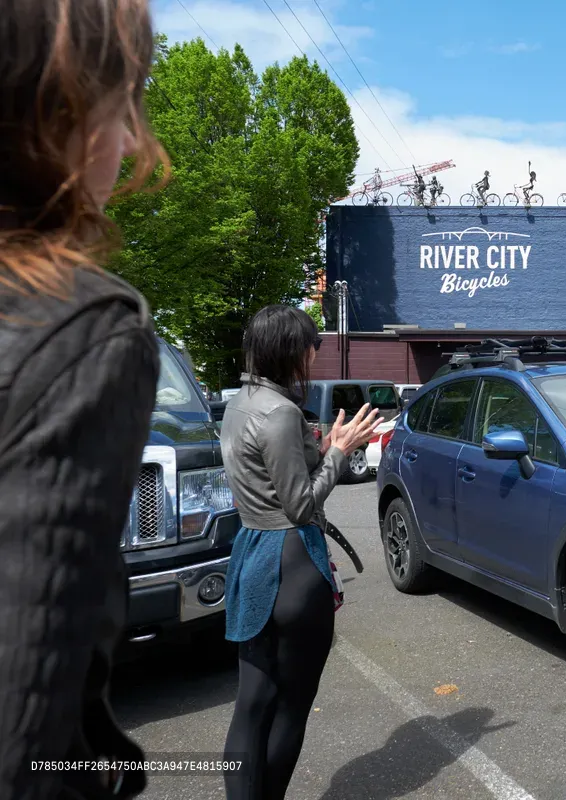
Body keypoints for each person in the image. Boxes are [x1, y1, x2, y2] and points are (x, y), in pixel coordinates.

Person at [0, 1, 169, 797]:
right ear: (55, 104)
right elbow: (24, 731)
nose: (134, 142)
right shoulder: (87, 332)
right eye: (122, 101)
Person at [220, 305, 380, 800]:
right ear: (294, 351)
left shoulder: (241, 401)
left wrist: (320, 443)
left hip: (250, 553)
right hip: (291, 564)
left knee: (252, 702)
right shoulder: (283, 411)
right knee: (291, 705)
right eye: (313, 348)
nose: (315, 357)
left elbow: (266, 470)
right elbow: (301, 506)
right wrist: (339, 451)